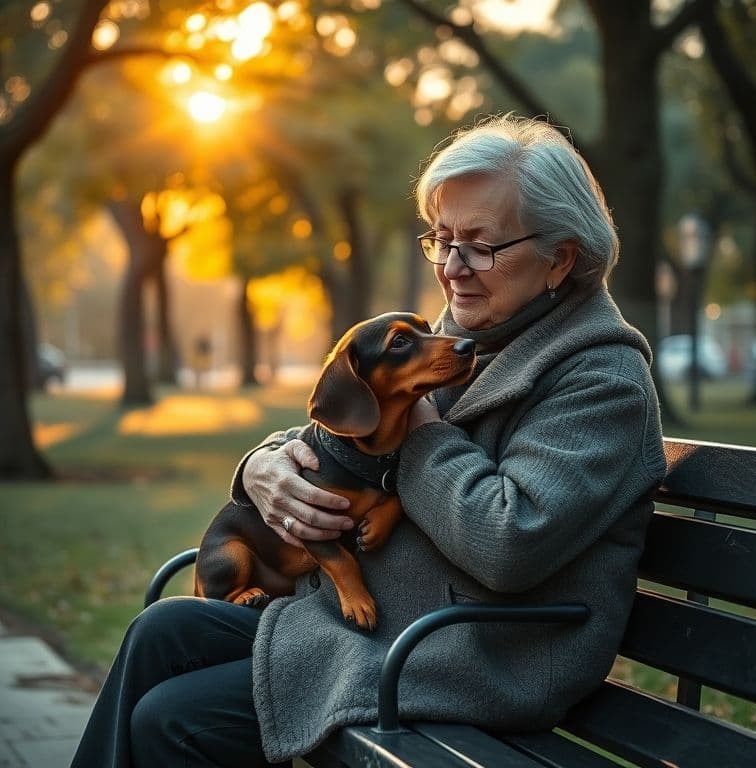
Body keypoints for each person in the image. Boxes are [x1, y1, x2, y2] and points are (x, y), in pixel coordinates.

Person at [71, 114, 666, 767]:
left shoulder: (601, 380)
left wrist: (424, 430)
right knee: (161, 631)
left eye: (479, 244)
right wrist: (263, 466)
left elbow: (508, 542)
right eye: (441, 240)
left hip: (471, 655)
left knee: (176, 720)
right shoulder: (480, 334)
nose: (452, 268)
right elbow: (342, 425)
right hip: (374, 624)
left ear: (562, 259)